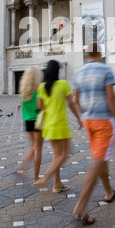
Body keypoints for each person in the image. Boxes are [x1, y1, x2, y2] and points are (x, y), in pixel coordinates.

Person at [73, 43, 115, 225]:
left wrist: (85, 114)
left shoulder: (78, 73)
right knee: (96, 161)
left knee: (101, 158)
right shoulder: (105, 70)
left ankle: (109, 191)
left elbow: (77, 99)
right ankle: (81, 205)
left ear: (86, 55)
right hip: (103, 121)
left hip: (88, 122)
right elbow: (111, 97)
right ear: (99, 53)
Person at [33, 60, 83, 193]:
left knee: (56, 155)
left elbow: (39, 106)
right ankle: (46, 177)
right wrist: (79, 118)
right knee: (65, 153)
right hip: (61, 124)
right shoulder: (63, 84)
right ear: (57, 71)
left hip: (49, 126)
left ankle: (57, 184)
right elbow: (71, 104)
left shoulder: (42, 87)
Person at [18, 66, 43, 183]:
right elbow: (40, 107)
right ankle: (36, 177)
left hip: (27, 121)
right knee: (37, 149)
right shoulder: (39, 90)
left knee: (33, 147)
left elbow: (23, 107)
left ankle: (22, 167)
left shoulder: (24, 91)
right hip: (37, 121)